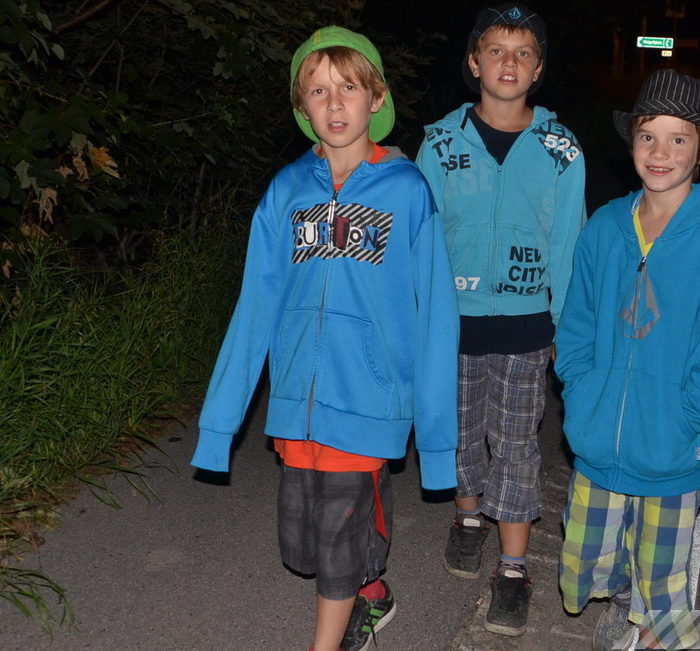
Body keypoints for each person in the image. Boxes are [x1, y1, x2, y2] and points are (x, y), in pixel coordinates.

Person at [189, 26, 459, 651]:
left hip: (368, 399)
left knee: (337, 538)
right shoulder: (285, 191)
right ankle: (373, 590)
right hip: (296, 403)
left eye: (349, 88)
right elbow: (254, 309)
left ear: (377, 98)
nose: (335, 104)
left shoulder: (407, 191)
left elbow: (436, 318)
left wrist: (437, 441)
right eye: (318, 91)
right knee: (304, 544)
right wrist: (219, 425)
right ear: (301, 107)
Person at [555, 69, 700, 650]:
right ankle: (624, 600)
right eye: (648, 136)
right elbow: (576, 320)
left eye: (678, 139)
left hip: (673, 441)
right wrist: (580, 391)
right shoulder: (606, 226)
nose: (660, 152)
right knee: (588, 553)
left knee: (664, 577)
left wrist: (697, 415)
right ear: (632, 143)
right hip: (599, 438)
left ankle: (651, 626)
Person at [414, 2, 586, 638]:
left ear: (537, 70)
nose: (508, 62)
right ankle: (467, 519)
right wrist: (419, 318)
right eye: (496, 50)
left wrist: (565, 330)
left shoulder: (561, 150)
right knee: (460, 433)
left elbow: (568, 245)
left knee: (514, 443)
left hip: (526, 326)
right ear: (473, 63)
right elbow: (421, 239)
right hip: (453, 326)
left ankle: (513, 570)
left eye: (523, 53)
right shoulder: (439, 143)